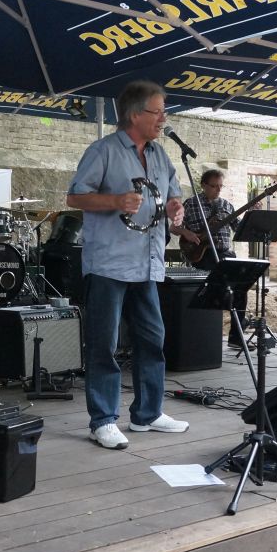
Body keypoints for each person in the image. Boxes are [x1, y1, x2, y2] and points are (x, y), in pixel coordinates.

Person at [66, 80, 187, 450]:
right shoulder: (102, 150)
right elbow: (75, 197)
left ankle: (147, 413)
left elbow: (173, 189)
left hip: (147, 262)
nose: (163, 118)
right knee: (105, 342)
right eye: (158, 111)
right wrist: (115, 199)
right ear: (135, 115)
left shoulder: (160, 154)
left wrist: (174, 206)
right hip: (108, 263)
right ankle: (102, 419)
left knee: (153, 338)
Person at [172, 168, 237, 268]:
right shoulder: (191, 204)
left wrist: (251, 212)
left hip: (225, 255)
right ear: (203, 185)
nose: (219, 190)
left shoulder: (227, 205)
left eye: (220, 186)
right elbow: (173, 228)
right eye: (214, 186)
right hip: (201, 256)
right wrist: (186, 232)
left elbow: (239, 228)